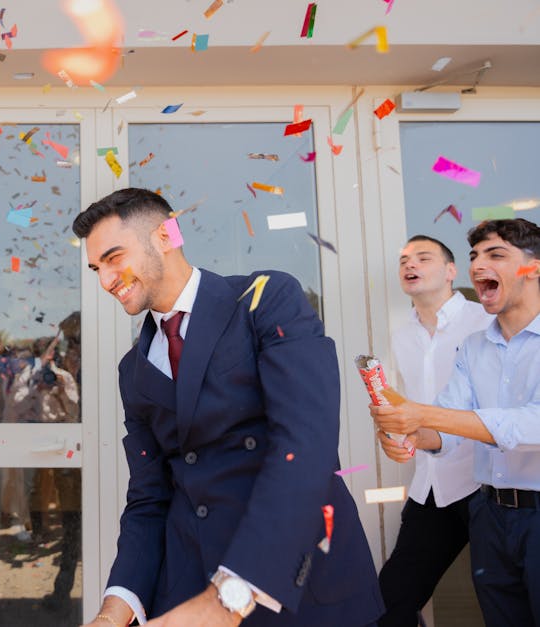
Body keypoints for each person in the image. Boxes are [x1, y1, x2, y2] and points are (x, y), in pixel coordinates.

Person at [73, 188, 383, 626]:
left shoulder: (266, 300)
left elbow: (305, 444)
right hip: (189, 590)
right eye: (96, 268)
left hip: (296, 588)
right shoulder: (132, 370)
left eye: (114, 258)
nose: (106, 280)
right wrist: (114, 609)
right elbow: (149, 498)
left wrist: (229, 597)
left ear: (165, 235)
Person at [373, 218, 540, 627]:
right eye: (475, 256)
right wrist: (408, 433)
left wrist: (422, 414)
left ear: (533, 267)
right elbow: (445, 425)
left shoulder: (473, 324)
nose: (478, 265)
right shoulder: (474, 346)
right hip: (490, 512)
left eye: (496, 254)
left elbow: (532, 423)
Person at [376, 235, 493, 626]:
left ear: (451, 271)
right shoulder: (401, 335)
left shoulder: (485, 321)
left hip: (485, 486)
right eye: (404, 260)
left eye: (423, 258)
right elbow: (411, 405)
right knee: (388, 602)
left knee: (502, 600)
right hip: (431, 484)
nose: (410, 265)